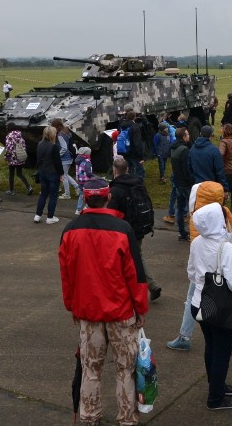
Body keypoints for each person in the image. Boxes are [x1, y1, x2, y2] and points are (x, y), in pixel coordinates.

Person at [59, 178, 148, 426]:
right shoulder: (122, 229)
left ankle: (89, 416)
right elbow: (136, 274)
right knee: (126, 369)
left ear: (85, 198)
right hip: (120, 312)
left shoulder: (70, 230)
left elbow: (66, 274)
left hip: (88, 312)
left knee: (90, 369)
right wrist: (140, 307)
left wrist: (72, 306)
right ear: (108, 197)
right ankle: (127, 418)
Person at [187, 202, 232, 410]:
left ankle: (216, 385)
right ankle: (215, 397)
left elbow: (190, 272)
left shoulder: (197, 242)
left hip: (198, 305)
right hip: (220, 308)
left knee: (211, 346)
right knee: (222, 352)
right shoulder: (227, 248)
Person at [108, 155, 162, 301]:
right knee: (137, 255)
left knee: (123, 259)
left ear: (115, 170)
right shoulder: (137, 183)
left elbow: (111, 213)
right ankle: (151, 284)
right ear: (127, 169)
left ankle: (132, 289)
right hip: (139, 227)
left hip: (123, 229)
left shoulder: (116, 189)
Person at [33, 125, 63, 224]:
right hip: (53, 173)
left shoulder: (40, 144)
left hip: (42, 172)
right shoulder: (54, 146)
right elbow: (58, 162)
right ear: (52, 134)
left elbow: (38, 160)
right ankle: (50, 217)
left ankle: (37, 215)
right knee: (53, 196)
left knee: (43, 194)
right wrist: (61, 173)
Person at [190, 125, 229, 192]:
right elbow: (220, 171)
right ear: (211, 136)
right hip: (211, 185)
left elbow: (189, 167)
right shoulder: (214, 150)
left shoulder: (192, 149)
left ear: (200, 134)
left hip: (197, 185)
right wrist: (224, 188)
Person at [170, 127, 192, 241]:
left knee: (179, 207)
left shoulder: (173, 148)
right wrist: (191, 180)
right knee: (191, 208)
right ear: (183, 136)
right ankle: (193, 232)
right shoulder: (184, 150)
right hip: (185, 183)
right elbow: (187, 169)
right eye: (187, 134)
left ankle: (181, 232)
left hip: (177, 182)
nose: (189, 136)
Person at [51, 119, 81, 199]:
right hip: (69, 157)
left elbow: (64, 148)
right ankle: (77, 187)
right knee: (65, 174)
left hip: (64, 158)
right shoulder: (66, 132)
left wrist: (58, 155)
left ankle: (67, 194)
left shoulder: (60, 135)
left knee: (63, 176)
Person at [4, 129, 34, 196]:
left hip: (12, 159)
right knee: (19, 173)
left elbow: (8, 149)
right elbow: (24, 147)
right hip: (20, 158)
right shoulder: (20, 137)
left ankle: (11, 190)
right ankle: (29, 187)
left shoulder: (9, 137)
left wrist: (6, 158)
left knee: (11, 175)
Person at [118, 110, 147, 180]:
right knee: (139, 171)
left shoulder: (122, 125)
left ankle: (129, 185)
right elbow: (138, 143)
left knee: (128, 170)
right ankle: (138, 186)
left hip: (125, 151)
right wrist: (141, 157)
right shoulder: (135, 127)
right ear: (135, 117)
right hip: (134, 153)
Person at [73, 147, 97, 215]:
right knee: (89, 193)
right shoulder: (87, 161)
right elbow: (88, 173)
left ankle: (78, 209)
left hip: (80, 180)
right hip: (87, 181)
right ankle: (87, 207)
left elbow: (77, 171)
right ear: (87, 154)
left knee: (81, 194)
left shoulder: (78, 160)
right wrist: (94, 177)